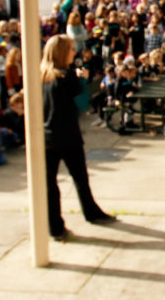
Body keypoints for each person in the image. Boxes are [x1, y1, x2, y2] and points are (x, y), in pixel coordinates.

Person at [40, 35, 114, 240]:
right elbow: (82, 104)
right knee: (80, 178)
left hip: (47, 137)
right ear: (63, 52)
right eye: (71, 49)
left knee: (50, 184)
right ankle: (91, 213)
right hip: (68, 135)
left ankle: (55, 226)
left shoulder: (41, 76)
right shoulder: (67, 77)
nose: (75, 53)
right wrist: (82, 79)